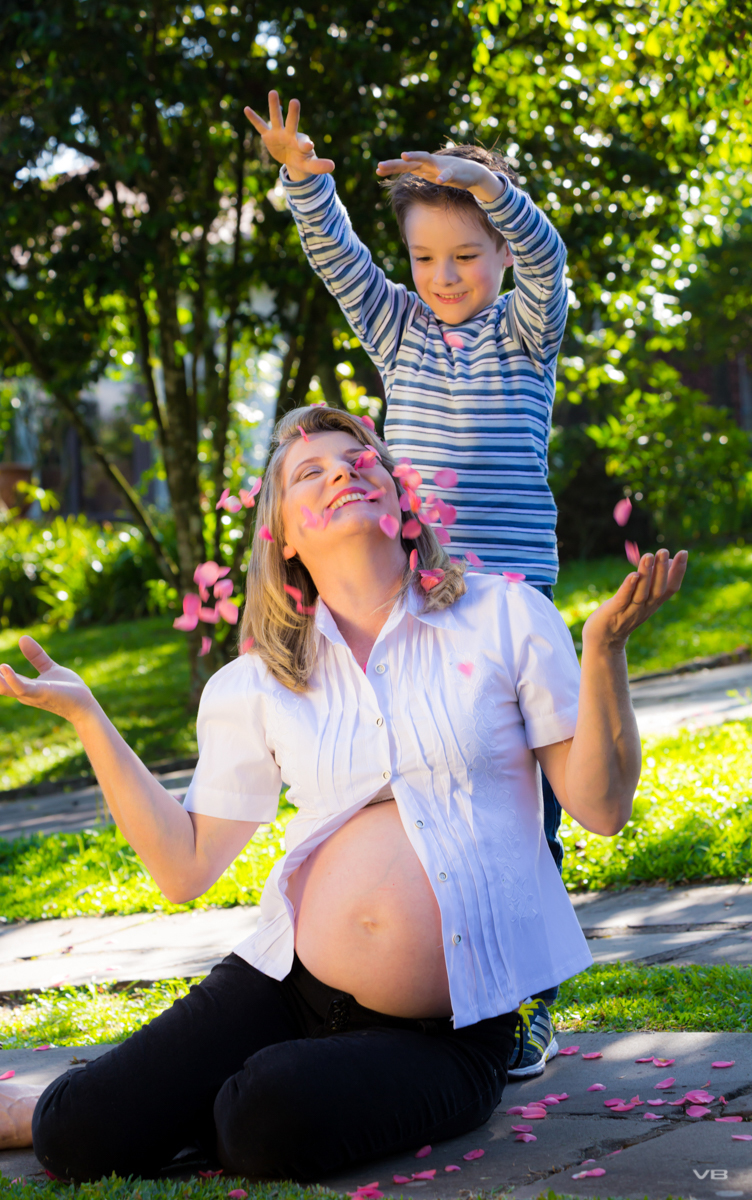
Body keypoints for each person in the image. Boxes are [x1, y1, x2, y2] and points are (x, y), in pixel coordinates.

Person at [0, 407, 687, 1183]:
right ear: (285, 538)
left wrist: (603, 652)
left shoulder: (505, 617)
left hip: (447, 1032)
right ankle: (100, 1102)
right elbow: (184, 868)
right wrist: (87, 714)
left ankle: (217, 1099)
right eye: (312, 471)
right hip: (279, 985)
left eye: (361, 457)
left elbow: (602, 808)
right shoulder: (261, 683)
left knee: (264, 1118)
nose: (344, 470)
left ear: (398, 494)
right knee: (76, 1135)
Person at [245, 90, 571, 1074]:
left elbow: (549, 262)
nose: (442, 277)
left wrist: (489, 190)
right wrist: (305, 179)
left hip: (511, 612)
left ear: (500, 253)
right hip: (422, 606)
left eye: (465, 255)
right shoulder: (399, 336)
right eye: (426, 257)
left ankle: (528, 1002)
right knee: (432, 799)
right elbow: (341, 260)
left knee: (524, 810)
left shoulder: (524, 336)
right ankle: (423, 979)